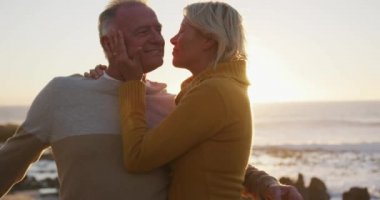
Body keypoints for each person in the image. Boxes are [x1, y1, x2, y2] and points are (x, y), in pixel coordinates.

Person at [0, 0, 301, 199]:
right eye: (144, 31)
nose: (159, 39)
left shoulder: (175, 103)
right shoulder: (63, 94)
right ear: (109, 42)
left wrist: (268, 185)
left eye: (159, 29)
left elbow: (219, 164)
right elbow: (9, 163)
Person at [99, 1, 303, 200]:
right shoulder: (223, 88)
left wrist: (132, 84)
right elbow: (222, 164)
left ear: (208, 39)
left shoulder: (214, 92)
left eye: (182, 32)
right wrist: (266, 184)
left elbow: (138, 158)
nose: (172, 39)